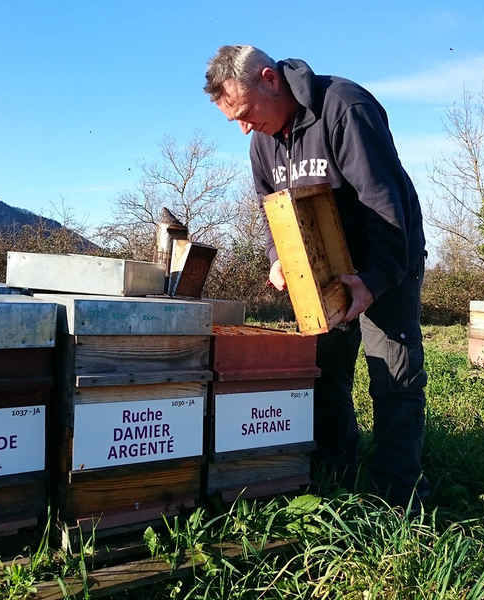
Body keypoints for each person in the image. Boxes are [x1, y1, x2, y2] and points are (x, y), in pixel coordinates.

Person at [204, 45, 429, 507]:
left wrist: (373, 280)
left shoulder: (345, 107)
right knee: (325, 371)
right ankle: (336, 473)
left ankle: (400, 495)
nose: (244, 128)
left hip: (387, 260)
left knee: (394, 376)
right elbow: (271, 210)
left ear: (269, 79)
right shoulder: (261, 142)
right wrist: (277, 256)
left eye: (245, 113)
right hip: (323, 269)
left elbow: (384, 202)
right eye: (235, 121)